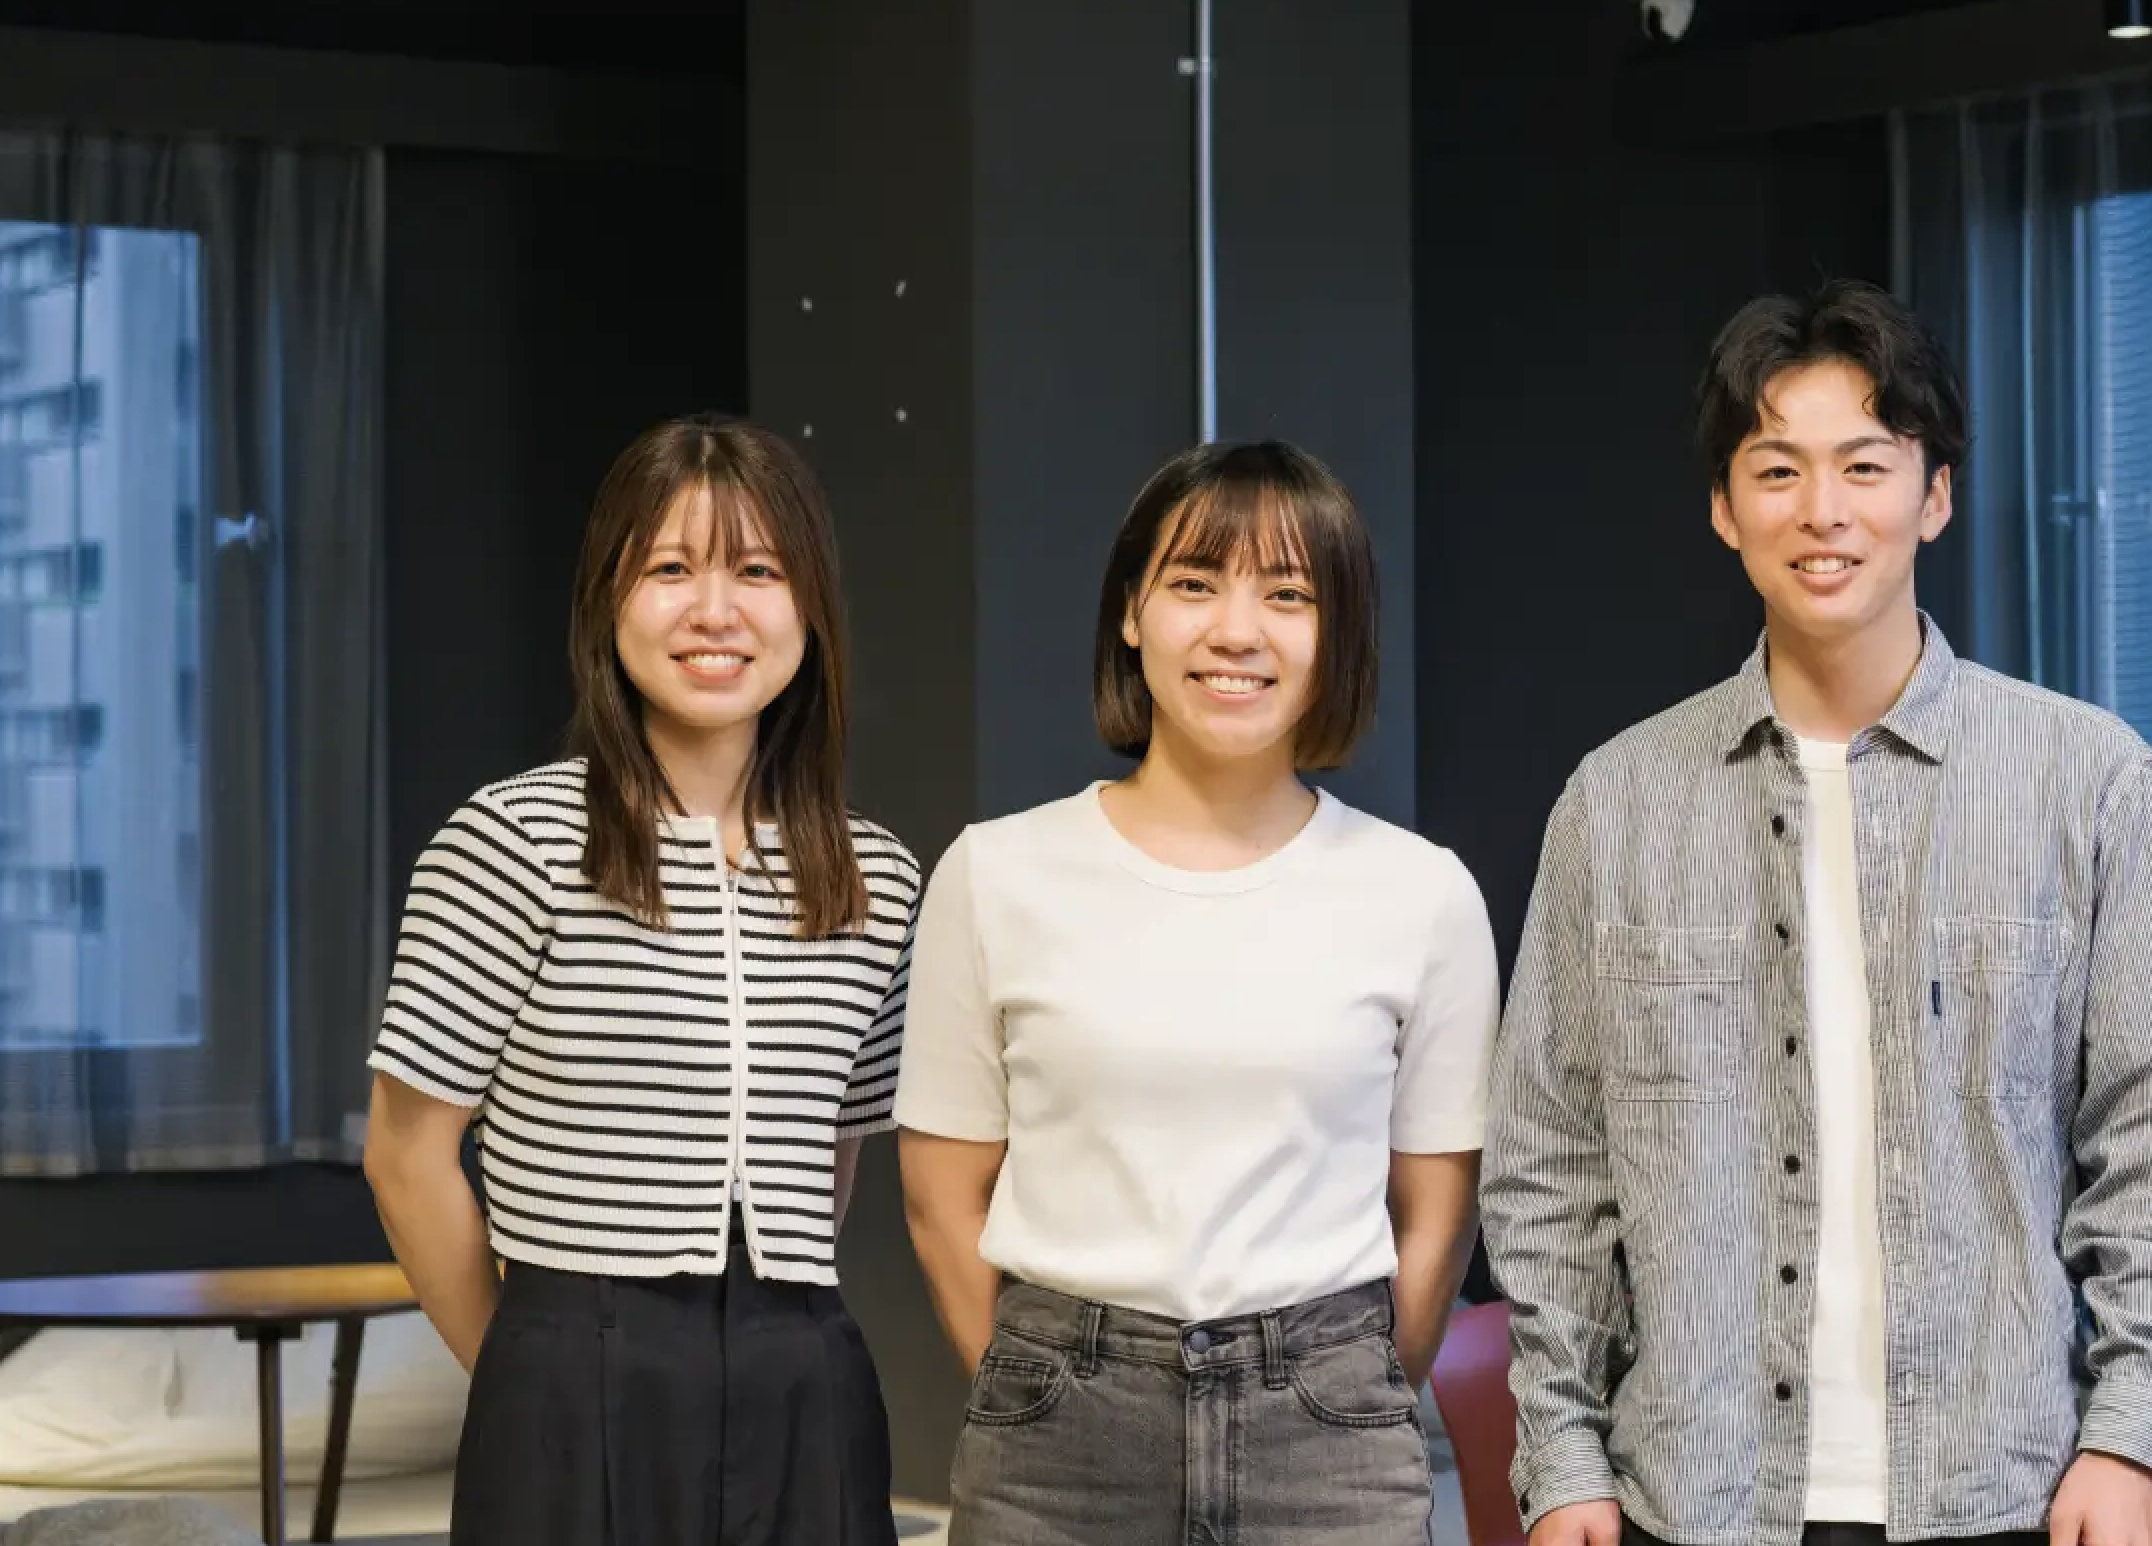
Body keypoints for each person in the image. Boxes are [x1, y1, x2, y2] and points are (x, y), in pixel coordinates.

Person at [1480, 278, 2152, 1546]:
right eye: (1777, 470)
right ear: (1724, 509)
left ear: (1933, 496)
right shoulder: (1617, 802)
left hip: (2004, 1492)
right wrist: (1560, 1455)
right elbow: (1548, 1159)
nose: (1821, 510)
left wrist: (2126, 1437)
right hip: (1693, 1496)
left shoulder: (2088, 781)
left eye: (1865, 465)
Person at [894, 440, 1497, 1546]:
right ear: (1132, 612)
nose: (1236, 630)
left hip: (1330, 1446)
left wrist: (1345, 1391)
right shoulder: (994, 873)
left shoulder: (1423, 894)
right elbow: (941, 1199)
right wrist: (1054, 1393)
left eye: (1288, 595)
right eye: (1193, 583)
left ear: (1337, 633)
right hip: (1057, 1450)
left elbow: (1437, 1213)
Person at [362, 413, 921, 1546]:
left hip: (806, 1373)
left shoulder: (878, 877)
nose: (715, 611)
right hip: (569, 1369)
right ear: (606, 601)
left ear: (810, 606)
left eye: (757, 571)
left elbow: (833, 1152)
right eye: (670, 570)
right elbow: (407, 1153)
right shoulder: (513, 840)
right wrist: (525, 1372)